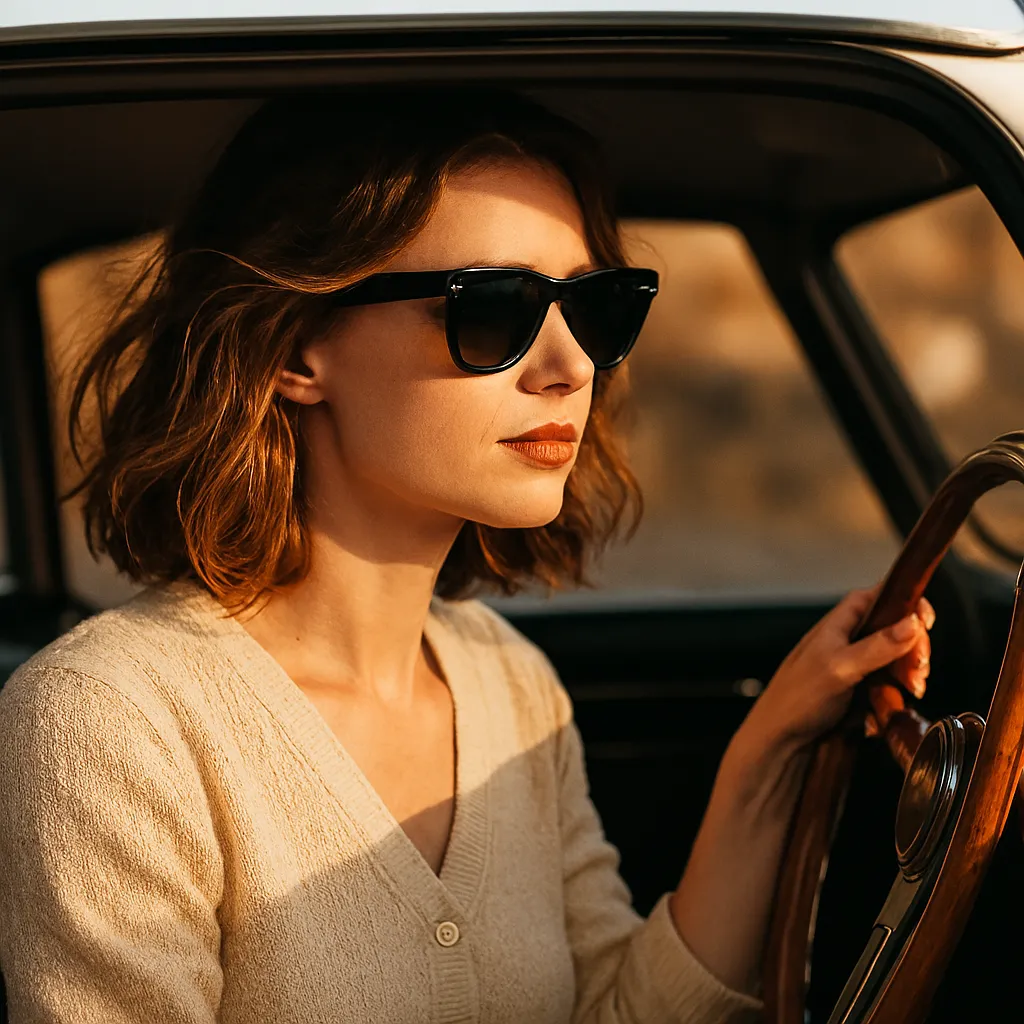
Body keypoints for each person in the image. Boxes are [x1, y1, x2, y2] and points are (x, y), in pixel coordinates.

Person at [0, 88, 932, 1024]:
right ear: (294, 349)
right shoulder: (109, 723)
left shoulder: (511, 683)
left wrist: (768, 750)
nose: (570, 366)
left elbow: (614, 1013)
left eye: (598, 307)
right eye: (495, 307)